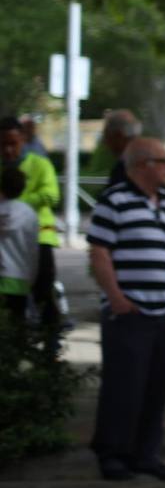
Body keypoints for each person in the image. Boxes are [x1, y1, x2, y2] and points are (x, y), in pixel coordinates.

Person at [87, 137, 165, 481]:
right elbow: (99, 252)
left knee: (156, 385)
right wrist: (116, 297)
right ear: (141, 165)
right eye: (163, 161)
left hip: (163, 311)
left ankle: (145, 452)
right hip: (129, 311)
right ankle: (113, 452)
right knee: (124, 385)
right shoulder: (114, 200)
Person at [1, 116, 62, 332]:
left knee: (43, 292)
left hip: (38, 237)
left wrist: (16, 203)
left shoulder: (40, 164)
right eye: (3, 145)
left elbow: (52, 195)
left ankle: (50, 348)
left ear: (23, 139)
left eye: (13, 144)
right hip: (5, 242)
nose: (8, 150)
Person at [0, 166, 39, 326]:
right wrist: (32, 277)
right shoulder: (29, 214)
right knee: (16, 328)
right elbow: (33, 250)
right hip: (20, 280)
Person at [101, 109, 141, 188]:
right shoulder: (148, 164)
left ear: (118, 136)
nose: (104, 142)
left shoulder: (127, 170)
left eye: (106, 136)